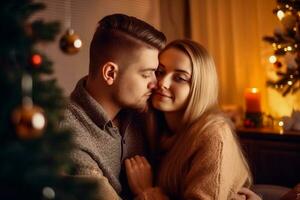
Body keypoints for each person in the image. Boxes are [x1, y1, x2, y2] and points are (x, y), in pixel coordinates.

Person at [125, 39, 258, 199]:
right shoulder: (153, 125)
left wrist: (146, 191)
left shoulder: (214, 135)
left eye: (180, 78)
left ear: (199, 87)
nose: (163, 83)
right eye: (160, 72)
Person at [61, 13, 166, 199]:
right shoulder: (67, 137)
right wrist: (147, 193)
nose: (156, 83)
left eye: (156, 72)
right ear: (110, 73)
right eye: (146, 74)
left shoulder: (143, 111)